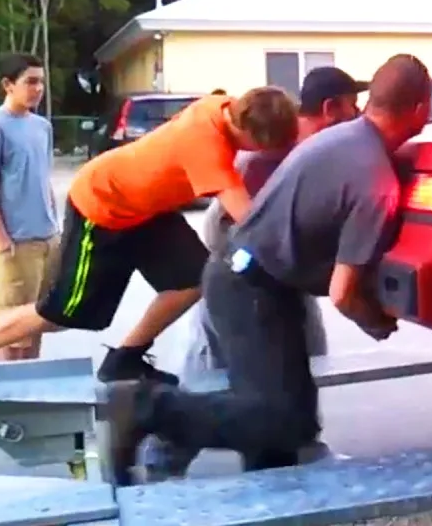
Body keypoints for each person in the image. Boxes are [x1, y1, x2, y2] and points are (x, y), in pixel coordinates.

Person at [102, 55, 432, 483]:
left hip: (253, 280)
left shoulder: (338, 139)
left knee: (291, 422)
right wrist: (377, 321)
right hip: (251, 289)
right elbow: (342, 293)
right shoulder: (374, 179)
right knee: (280, 420)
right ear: (420, 108)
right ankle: (145, 408)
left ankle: (267, 496)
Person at [0, 87, 300, 401]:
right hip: (102, 206)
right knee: (62, 312)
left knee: (194, 278)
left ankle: (125, 358)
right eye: (260, 147)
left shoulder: (223, 105)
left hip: (146, 209)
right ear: (248, 132)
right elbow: (252, 223)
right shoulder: (206, 147)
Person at [141, 66, 366, 480]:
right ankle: (160, 446)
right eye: (353, 106)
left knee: (288, 379)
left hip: (274, 282)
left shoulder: (302, 148)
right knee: (212, 378)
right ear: (331, 108)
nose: (358, 115)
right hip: (244, 283)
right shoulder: (275, 152)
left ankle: (290, 457)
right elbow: (235, 227)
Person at [0, 53, 61, 362]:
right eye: (30, 82)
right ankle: (7, 387)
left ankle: (30, 384)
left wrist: (55, 226)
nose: (38, 89)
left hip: (47, 239)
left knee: (38, 321)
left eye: (41, 82)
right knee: (11, 329)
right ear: (8, 85)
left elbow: (43, 177)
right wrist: (0, 238)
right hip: (17, 242)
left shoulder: (42, 127)